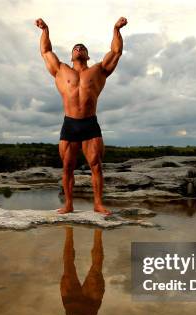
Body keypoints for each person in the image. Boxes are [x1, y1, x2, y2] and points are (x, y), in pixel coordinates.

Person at [35, 17, 128, 215]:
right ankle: (68, 204)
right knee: (67, 166)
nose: (78, 49)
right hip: (70, 124)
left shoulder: (99, 71)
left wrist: (116, 29)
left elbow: (116, 52)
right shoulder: (60, 70)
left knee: (96, 165)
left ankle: (98, 204)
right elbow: (45, 51)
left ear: (87, 55)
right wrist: (45, 30)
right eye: (75, 48)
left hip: (90, 124)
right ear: (71, 56)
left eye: (82, 48)